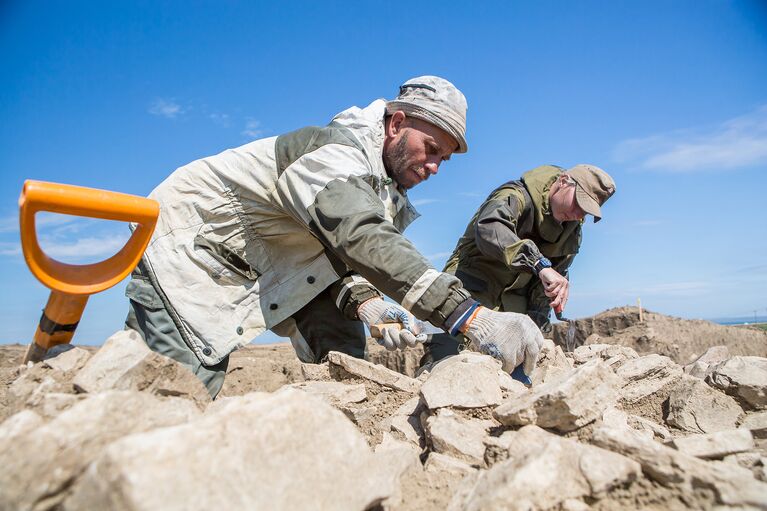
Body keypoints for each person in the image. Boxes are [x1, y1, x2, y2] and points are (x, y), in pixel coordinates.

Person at [124, 76, 544, 397]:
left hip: (260, 259)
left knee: (345, 353)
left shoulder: (383, 188)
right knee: (179, 391)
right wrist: (469, 316)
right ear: (396, 123)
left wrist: (368, 304)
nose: (435, 166)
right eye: (431, 148)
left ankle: (340, 423)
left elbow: (340, 260)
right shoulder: (330, 154)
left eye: (444, 159)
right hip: (191, 254)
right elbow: (357, 234)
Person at [420, 164, 616, 367]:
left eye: (586, 211)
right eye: (578, 202)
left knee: (515, 370)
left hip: (514, 303)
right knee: (445, 363)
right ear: (563, 181)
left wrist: (538, 326)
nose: (578, 214)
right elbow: (490, 228)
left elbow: (546, 288)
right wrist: (539, 265)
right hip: (470, 290)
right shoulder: (516, 196)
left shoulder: (572, 232)